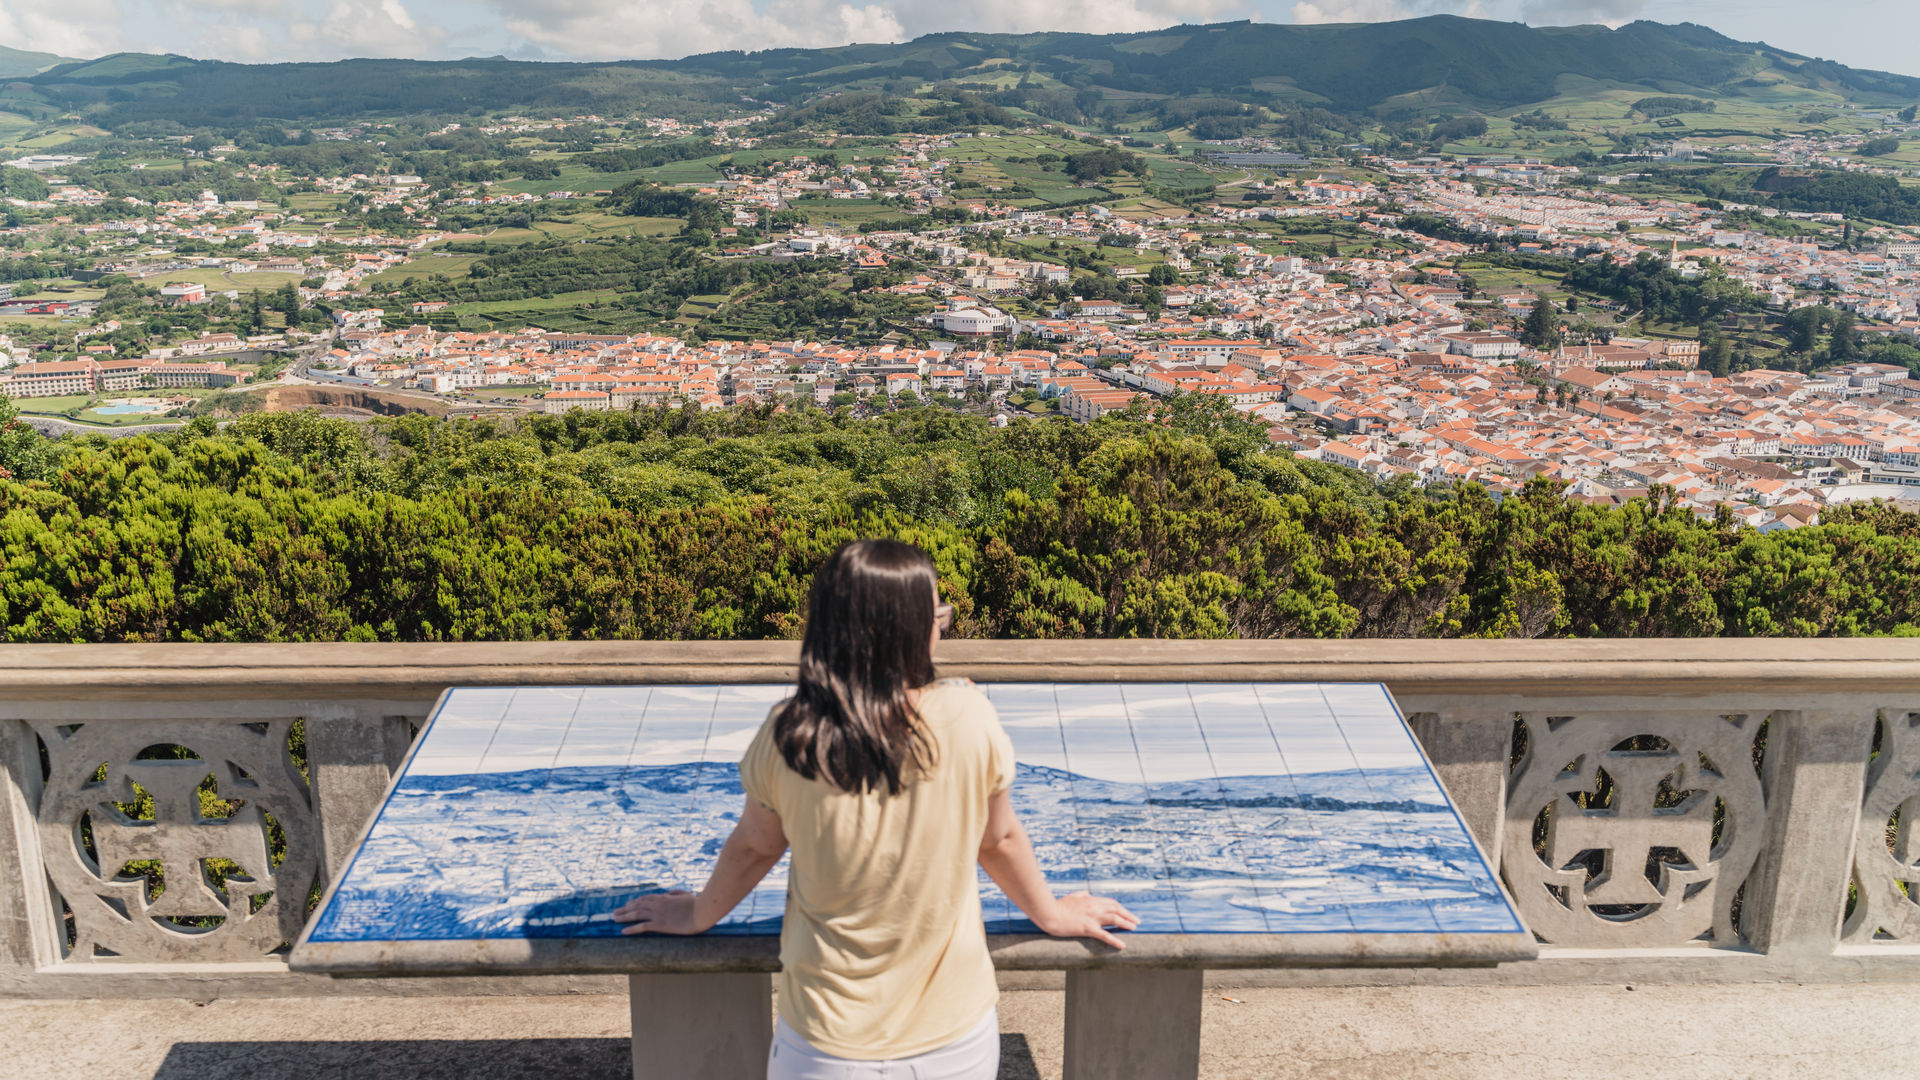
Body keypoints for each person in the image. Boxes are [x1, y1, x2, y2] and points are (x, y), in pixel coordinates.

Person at [614, 538, 1137, 1079]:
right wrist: (1052, 914)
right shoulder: (970, 717)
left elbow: (754, 848)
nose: (941, 628)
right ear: (908, 630)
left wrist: (697, 914)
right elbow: (997, 840)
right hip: (953, 1038)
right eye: (937, 616)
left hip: (824, 1045)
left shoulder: (790, 734)